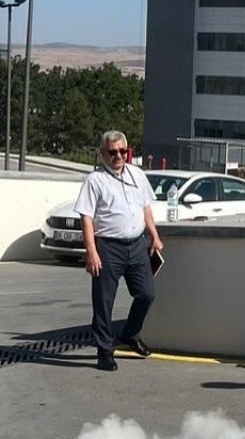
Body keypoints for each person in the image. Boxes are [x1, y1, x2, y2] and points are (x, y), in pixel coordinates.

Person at [74, 130, 164, 371]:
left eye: (122, 151)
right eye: (112, 152)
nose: (118, 156)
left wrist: (154, 236)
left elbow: (145, 208)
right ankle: (104, 351)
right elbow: (87, 218)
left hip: (136, 245)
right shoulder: (95, 180)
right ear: (103, 153)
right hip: (108, 247)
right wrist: (91, 252)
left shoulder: (137, 174)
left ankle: (130, 334)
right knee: (104, 303)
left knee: (147, 294)